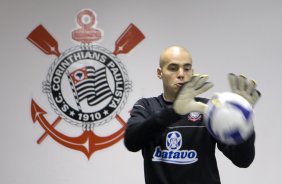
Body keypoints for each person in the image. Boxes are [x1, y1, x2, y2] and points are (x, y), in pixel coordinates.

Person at [124, 45, 261, 184]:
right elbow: (131, 142)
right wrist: (174, 112)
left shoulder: (209, 109)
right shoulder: (147, 106)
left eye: (187, 68)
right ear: (160, 73)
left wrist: (243, 119)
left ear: (192, 72)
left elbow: (243, 160)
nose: (181, 74)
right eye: (173, 68)